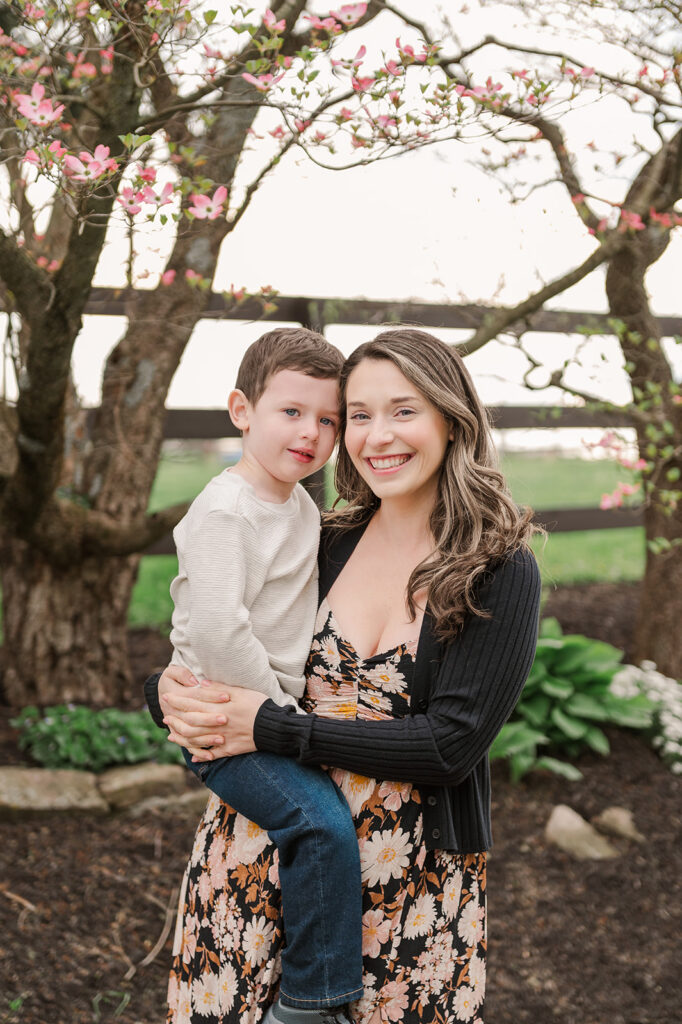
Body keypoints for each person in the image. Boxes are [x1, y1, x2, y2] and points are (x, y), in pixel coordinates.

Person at [147, 328, 542, 1024]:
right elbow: (222, 624)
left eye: (403, 410)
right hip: (256, 855)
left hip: (408, 885)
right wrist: (164, 692)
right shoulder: (325, 537)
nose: (376, 435)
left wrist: (270, 726)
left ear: (451, 419)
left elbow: (449, 746)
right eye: (358, 415)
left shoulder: (497, 569)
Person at [164, 326, 364, 1024]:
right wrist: (280, 716)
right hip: (229, 719)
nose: (311, 432)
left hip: (261, 715)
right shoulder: (227, 511)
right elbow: (217, 629)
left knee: (324, 824)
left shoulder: (300, 504)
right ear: (241, 410)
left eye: (328, 419)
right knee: (318, 825)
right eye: (291, 411)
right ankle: (310, 1004)